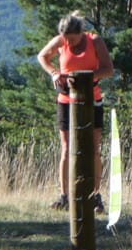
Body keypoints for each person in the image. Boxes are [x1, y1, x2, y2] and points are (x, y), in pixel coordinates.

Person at [36, 12, 116, 213]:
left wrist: (84, 77)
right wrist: (54, 73)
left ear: (81, 32)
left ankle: (95, 196)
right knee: (66, 148)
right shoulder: (61, 40)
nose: (69, 43)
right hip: (66, 100)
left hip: (92, 99)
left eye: (72, 39)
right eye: (66, 39)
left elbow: (108, 69)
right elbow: (42, 56)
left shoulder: (94, 41)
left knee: (94, 149)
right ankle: (64, 196)